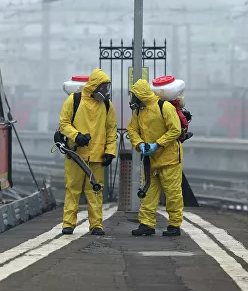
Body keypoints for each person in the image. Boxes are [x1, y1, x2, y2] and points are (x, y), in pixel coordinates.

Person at [59, 68, 117, 235]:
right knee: (73, 189)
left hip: (97, 156)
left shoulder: (106, 105)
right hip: (76, 155)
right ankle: (68, 223)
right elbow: (64, 124)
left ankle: (96, 225)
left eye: (106, 87)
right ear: (94, 86)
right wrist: (76, 136)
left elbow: (111, 130)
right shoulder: (74, 100)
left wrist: (110, 151)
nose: (105, 91)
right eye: (103, 87)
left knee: (95, 192)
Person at [126, 79, 184, 237]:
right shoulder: (139, 112)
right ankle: (146, 224)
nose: (132, 99)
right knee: (149, 193)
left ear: (141, 95)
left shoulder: (163, 107)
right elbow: (132, 130)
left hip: (169, 159)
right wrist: (139, 144)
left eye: (134, 96)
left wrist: (157, 144)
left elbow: (175, 130)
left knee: (173, 194)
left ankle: (174, 225)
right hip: (151, 161)